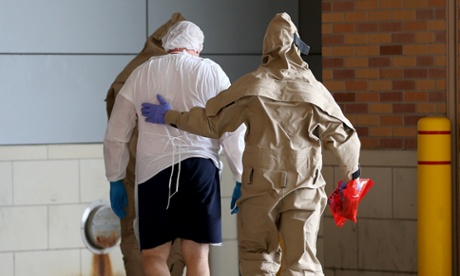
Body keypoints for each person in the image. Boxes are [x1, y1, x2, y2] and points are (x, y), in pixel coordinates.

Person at [140, 12, 361, 276]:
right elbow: (345, 137)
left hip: (260, 188)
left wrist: (169, 116)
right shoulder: (315, 92)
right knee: (302, 264)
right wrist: (352, 178)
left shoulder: (252, 85)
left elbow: (211, 124)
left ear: (267, 47)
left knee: (257, 260)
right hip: (305, 186)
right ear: (297, 46)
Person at [103, 19, 245, 276]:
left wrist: (115, 178)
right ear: (198, 47)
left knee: (154, 256)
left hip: (154, 173)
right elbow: (232, 128)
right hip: (201, 170)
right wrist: (241, 177)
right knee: (198, 256)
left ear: (168, 44)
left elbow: (116, 132)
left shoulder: (142, 72)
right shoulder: (212, 71)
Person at [105, 12, 187, 276]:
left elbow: (115, 130)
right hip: (178, 173)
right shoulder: (192, 72)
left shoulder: (131, 73)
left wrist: (115, 178)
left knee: (137, 240)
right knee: (181, 244)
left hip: (135, 174)